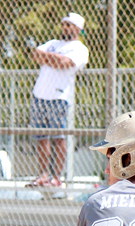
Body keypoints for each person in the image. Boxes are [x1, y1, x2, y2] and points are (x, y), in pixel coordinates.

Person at [26, 12, 90, 188]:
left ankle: (56, 177)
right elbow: (36, 54)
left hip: (59, 97)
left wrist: (48, 59)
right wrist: (54, 59)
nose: (65, 28)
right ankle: (43, 175)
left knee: (59, 138)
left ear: (78, 29)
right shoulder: (53, 43)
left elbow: (66, 63)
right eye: (64, 24)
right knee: (41, 137)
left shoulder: (79, 48)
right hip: (40, 95)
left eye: (69, 25)